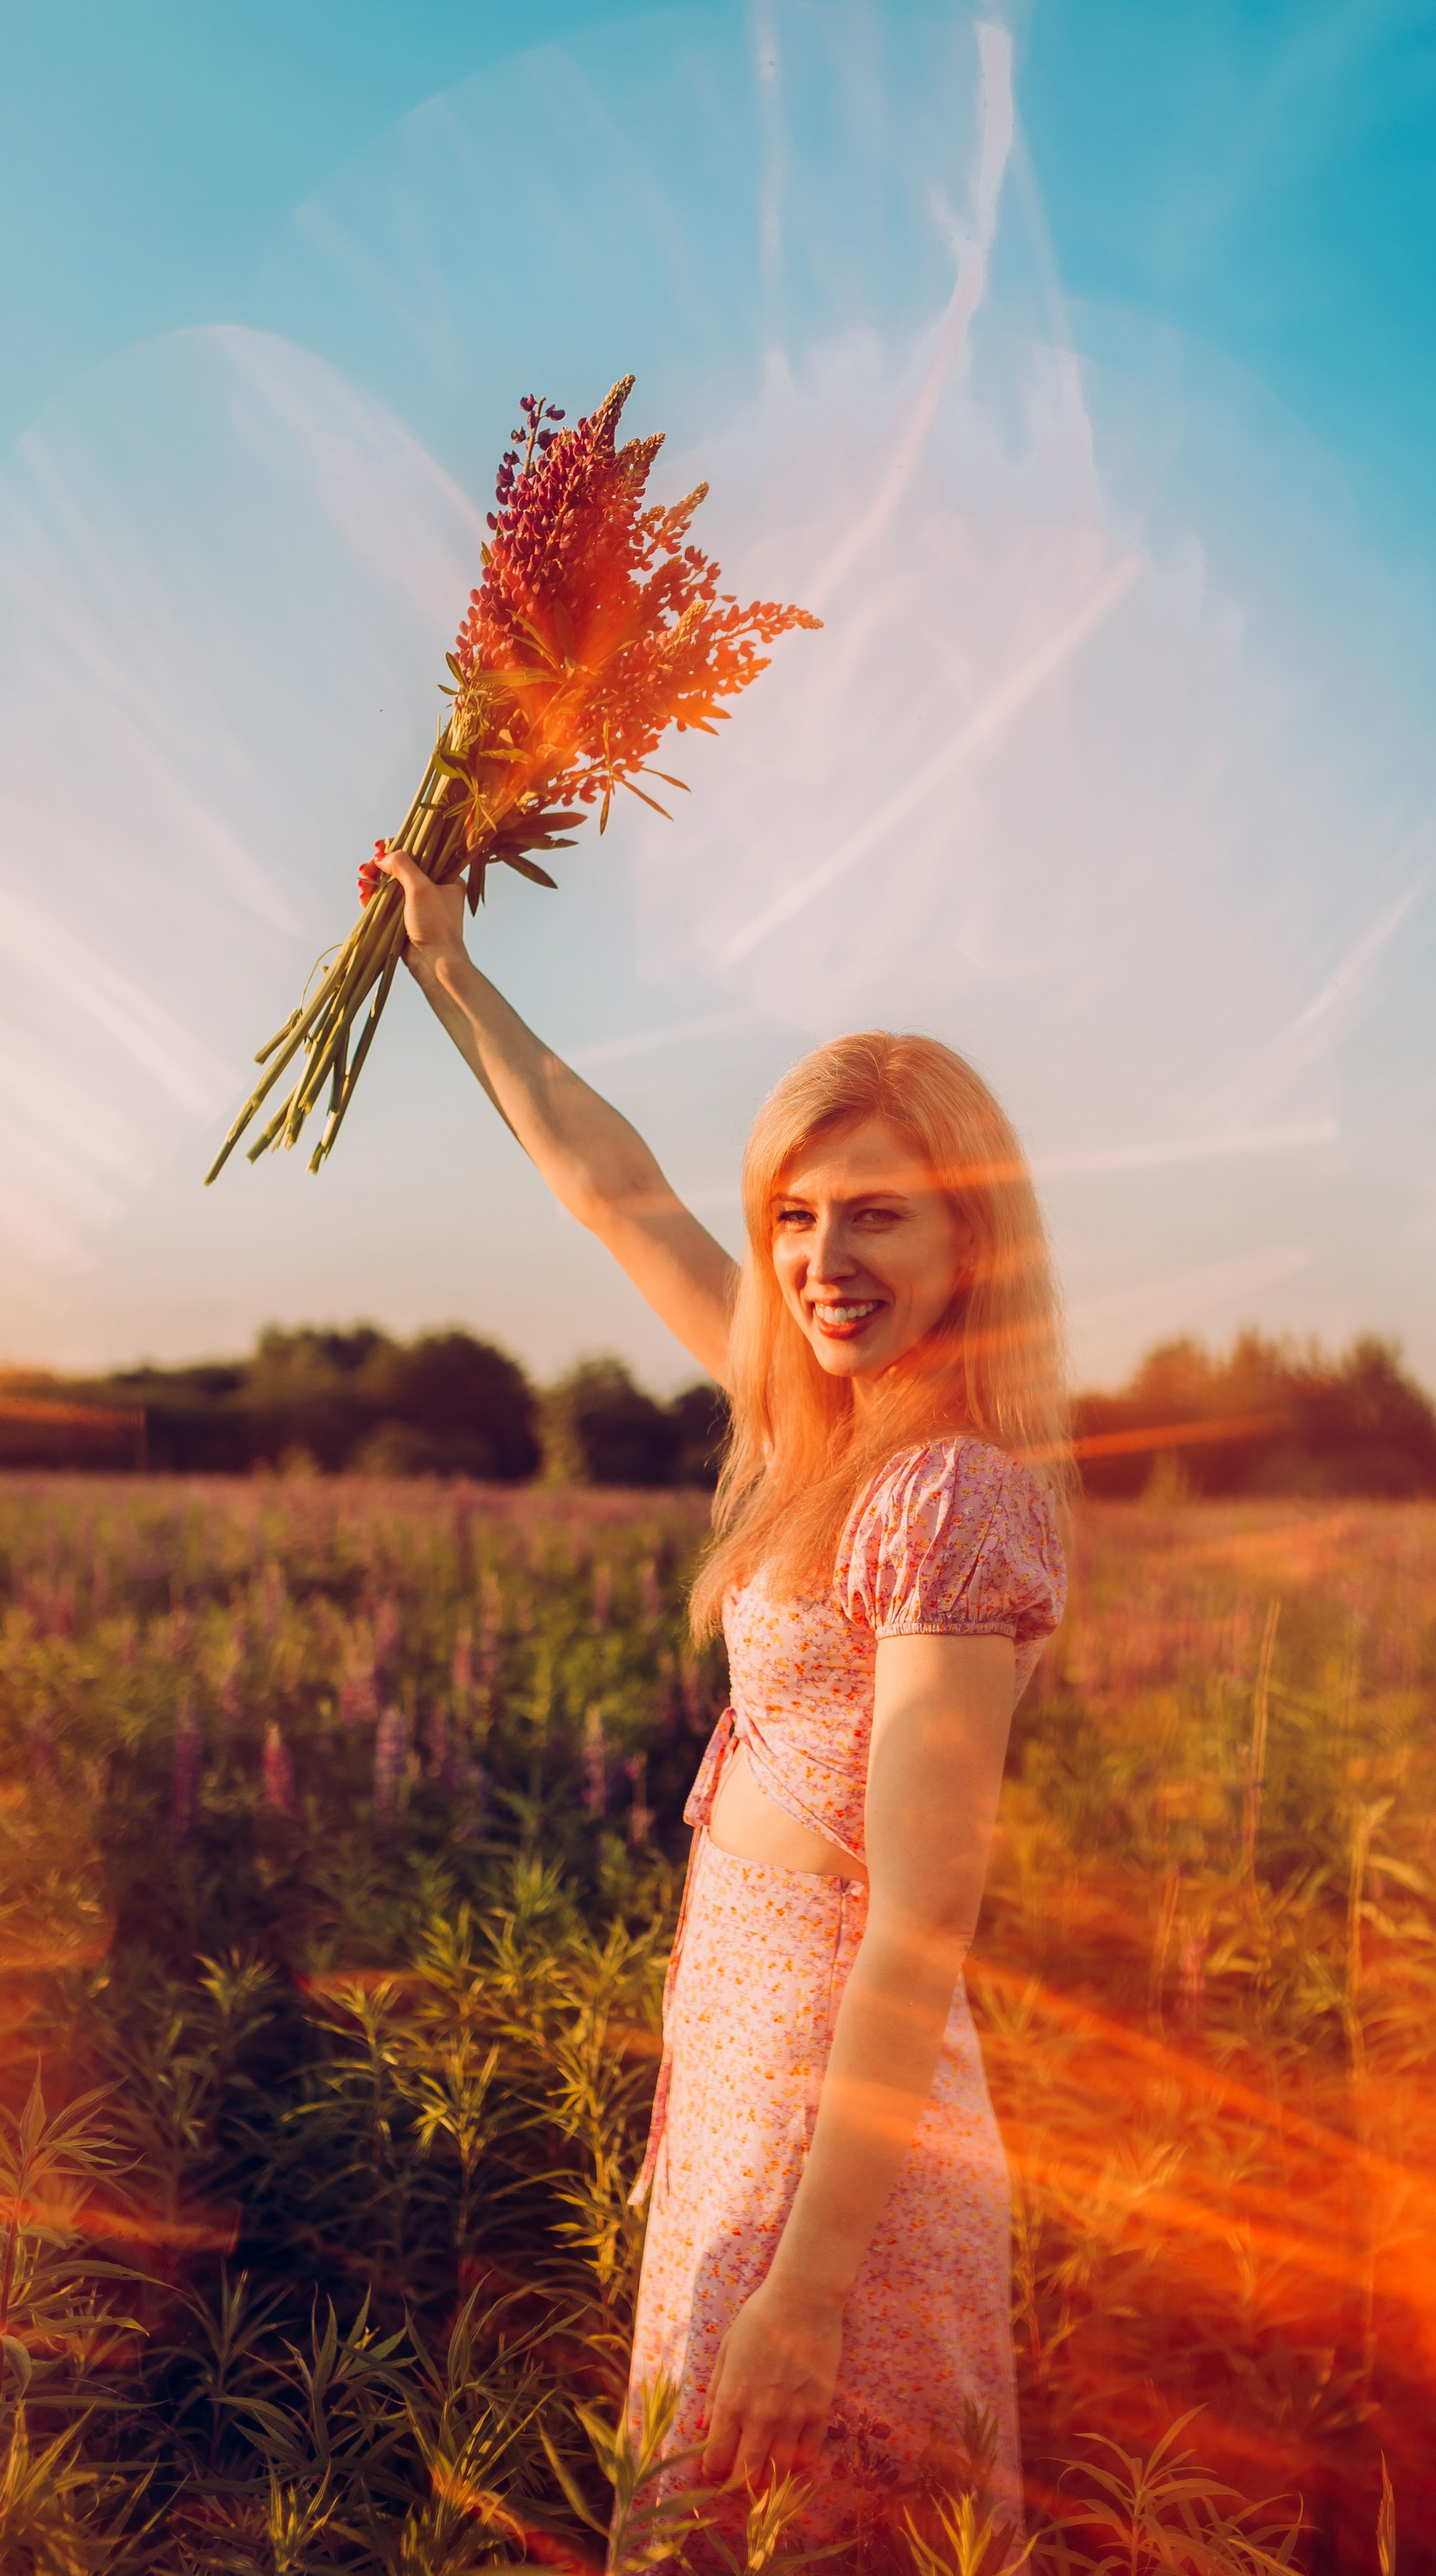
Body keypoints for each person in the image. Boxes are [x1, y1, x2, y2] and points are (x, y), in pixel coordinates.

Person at [378, 848, 1070, 2561]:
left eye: (877, 1212)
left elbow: (916, 1928)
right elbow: (615, 1198)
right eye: (794, 1214)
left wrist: (804, 2293)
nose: (821, 1258)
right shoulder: (817, 1434)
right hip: (752, 2090)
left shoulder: (946, 1494)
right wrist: (451, 975)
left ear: (969, 1237)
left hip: (844, 2157)